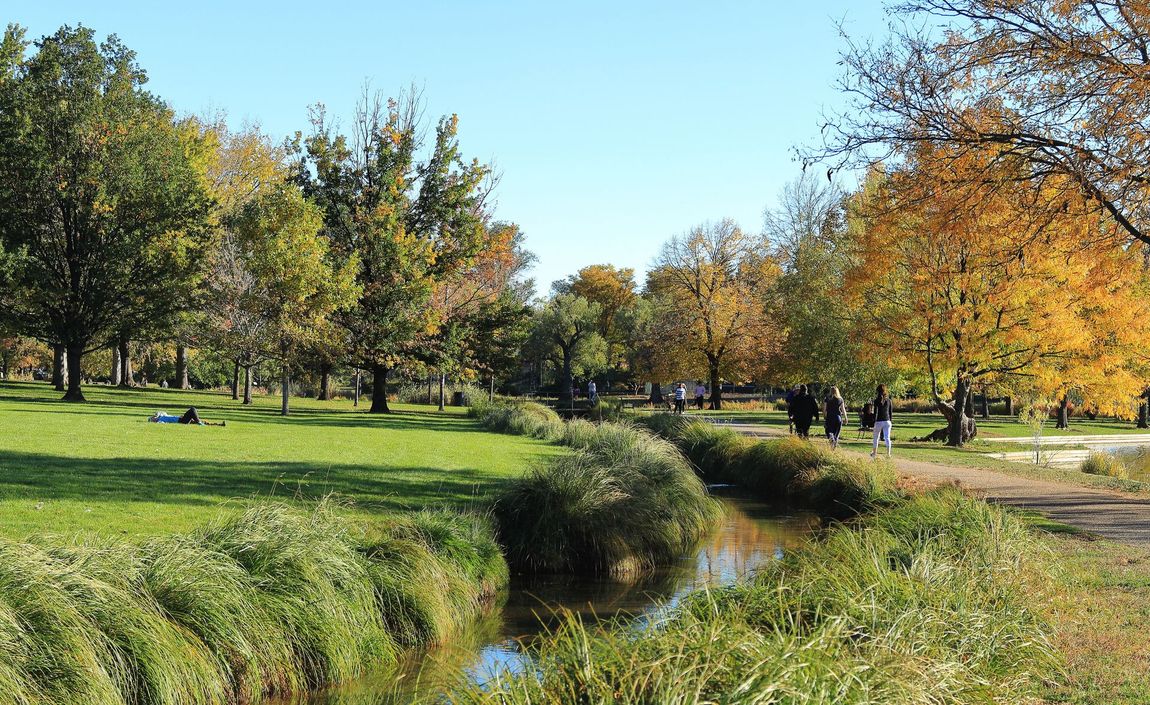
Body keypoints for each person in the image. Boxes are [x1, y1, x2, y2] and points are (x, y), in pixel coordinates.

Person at [871, 384, 893, 458]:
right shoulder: (889, 400)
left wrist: (874, 421)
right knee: (887, 438)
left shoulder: (876, 401)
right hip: (887, 421)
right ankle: (888, 454)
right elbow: (890, 412)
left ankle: (874, 453)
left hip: (879, 421)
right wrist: (890, 421)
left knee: (876, 438)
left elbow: (875, 412)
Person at [148, 407, 225, 427]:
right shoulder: (160, 421)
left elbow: (159, 412)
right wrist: (155, 422)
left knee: (199, 420)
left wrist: (156, 415)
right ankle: (199, 423)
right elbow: (162, 424)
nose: (153, 418)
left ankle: (219, 424)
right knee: (192, 410)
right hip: (181, 421)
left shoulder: (162, 415)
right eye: (152, 419)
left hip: (182, 419)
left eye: (152, 417)